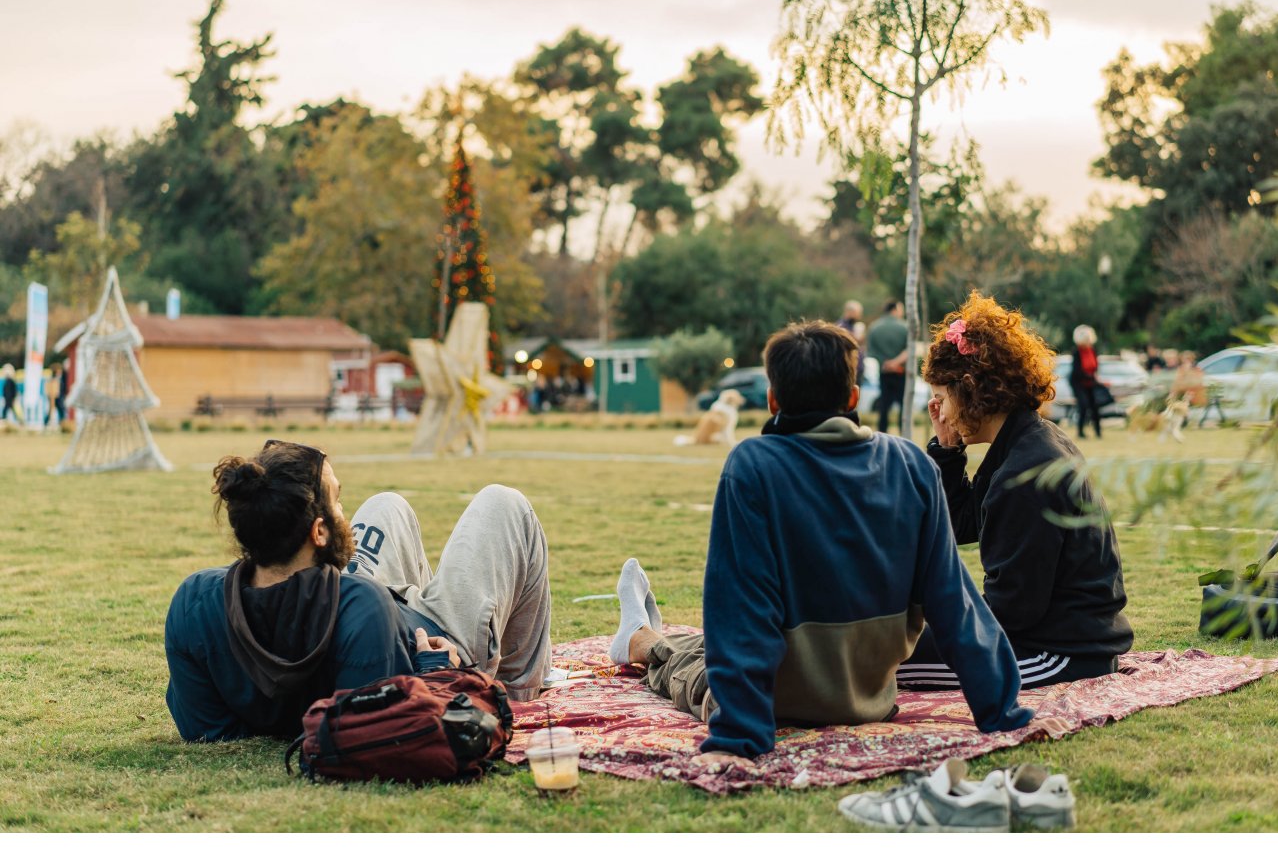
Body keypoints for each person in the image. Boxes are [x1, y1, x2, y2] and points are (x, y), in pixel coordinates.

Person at [607, 320, 1033, 763]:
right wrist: (1002, 711)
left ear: (773, 401)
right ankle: (644, 634)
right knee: (704, 644)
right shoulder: (913, 465)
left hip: (777, 706)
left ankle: (640, 640)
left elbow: (739, 611)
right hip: (869, 701)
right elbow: (956, 604)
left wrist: (738, 739)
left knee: (690, 661)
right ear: (852, 399)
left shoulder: (753, 466)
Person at [164, 439, 553, 741]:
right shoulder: (361, 607)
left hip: (372, 610)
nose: (344, 513)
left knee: (387, 505)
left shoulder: (194, 599)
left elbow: (204, 728)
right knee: (504, 504)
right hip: (437, 644)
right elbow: (382, 723)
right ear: (318, 531)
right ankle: (517, 693)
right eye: (336, 501)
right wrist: (435, 669)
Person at [896, 292, 1133, 692]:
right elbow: (963, 525)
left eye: (941, 400)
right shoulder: (1023, 440)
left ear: (969, 389)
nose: (941, 414)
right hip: (1056, 637)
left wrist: (907, 639)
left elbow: (1010, 614)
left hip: (1057, 653)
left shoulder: (1024, 472)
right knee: (891, 648)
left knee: (880, 665)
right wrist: (949, 452)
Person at [867, 299, 910, 434]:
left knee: (884, 406)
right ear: (895, 309)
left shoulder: (874, 327)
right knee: (904, 405)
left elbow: (871, 351)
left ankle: (882, 433)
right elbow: (910, 350)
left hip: (884, 372)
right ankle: (903, 434)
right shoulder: (905, 327)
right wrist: (896, 363)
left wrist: (886, 363)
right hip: (901, 373)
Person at [1068, 324, 1104, 439]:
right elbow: (1077, 370)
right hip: (1079, 383)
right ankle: (1080, 432)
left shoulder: (1092, 350)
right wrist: (1089, 376)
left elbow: (1095, 366)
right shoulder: (1076, 352)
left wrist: (1095, 377)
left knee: (1095, 406)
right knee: (1083, 405)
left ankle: (1098, 432)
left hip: (1090, 382)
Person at [835, 299, 867, 383]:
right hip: (848, 368)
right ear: (850, 312)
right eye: (858, 313)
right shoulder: (840, 327)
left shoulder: (854, 325)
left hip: (857, 367)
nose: (859, 316)